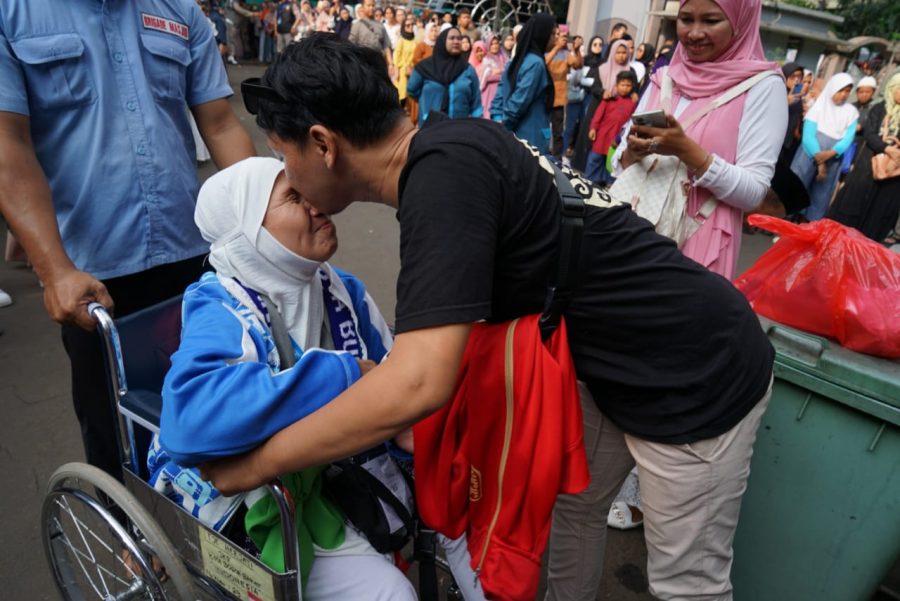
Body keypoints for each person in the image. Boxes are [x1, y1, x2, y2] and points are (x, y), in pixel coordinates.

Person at [204, 33, 775, 601]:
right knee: (576, 514)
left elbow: (417, 382)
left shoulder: (442, 184)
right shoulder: (451, 146)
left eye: (284, 156)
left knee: (686, 584)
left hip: (697, 369)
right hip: (614, 363)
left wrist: (258, 464)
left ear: (323, 144)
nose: (287, 175)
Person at [0, 0, 256, 482]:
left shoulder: (179, 11)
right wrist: (54, 271)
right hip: (92, 277)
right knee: (116, 432)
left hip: (195, 258)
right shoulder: (13, 14)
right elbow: (7, 143)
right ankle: (125, 527)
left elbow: (219, 123)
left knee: (218, 411)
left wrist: (265, 226)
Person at [148, 157, 416, 600]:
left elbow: (397, 378)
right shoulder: (220, 305)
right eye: (293, 196)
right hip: (241, 498)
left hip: (323, 478)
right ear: (247, 232)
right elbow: (188, 424)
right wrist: (341, 374)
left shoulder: (338, 289)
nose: (316, 202)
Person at [613, 0, 787, 281]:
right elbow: (621, 161)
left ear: (740, 22)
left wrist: (685, 150)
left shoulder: (763, 86)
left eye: (711, 20)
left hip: (699, 245)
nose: (694, 33)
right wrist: (634, 151)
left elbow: (754, 192)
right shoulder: (665, 77)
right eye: (686, 19)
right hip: (634, 229)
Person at [828, 72, 900, 243]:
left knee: (878, 216)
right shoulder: (879, 109)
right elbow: (870, 134)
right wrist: (886, 148)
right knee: (853, 208)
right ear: (892, 88)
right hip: (868, 168)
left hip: (893, 175)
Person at [789, 73, 858, 222]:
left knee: (820, 194)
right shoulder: (818, 107)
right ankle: (785, 221)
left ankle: (808, 225)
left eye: (847, 91)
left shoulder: (851, 112)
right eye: (840, 90)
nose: (844, 94)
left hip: (833, 159)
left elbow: (848, 138)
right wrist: (820, 160)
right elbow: (808, 136)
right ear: (832, 88)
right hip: (809, 155)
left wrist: (832, 152)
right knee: (797, 186)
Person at [490, 13, 556, 154]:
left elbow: (499, 96)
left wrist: (497, 122)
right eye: (552, 34)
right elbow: (519, 102)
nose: (555, 39)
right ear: (541, 35)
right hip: (529, 138)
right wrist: (503, 128)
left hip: (512, 136)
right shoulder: (536, 64)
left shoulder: (516, 60)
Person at [407, 28, 482, 125]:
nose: (456, 41)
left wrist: (477, 124)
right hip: (430, 125)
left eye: (459, 38)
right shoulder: (424, 68)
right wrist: (428, 101)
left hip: (459, 126)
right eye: (452, 38)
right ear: (442, 41)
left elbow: (476, 100)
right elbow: (412, 90)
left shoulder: (467, 69)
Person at [586, 71, 638, 185]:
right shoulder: (609, 99)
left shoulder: (632, 104)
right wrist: (593, 128)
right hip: (602, 135)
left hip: (617, 138)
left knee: (612, 162)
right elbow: (598, 115)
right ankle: (588, 182)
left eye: (628, 85)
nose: (625, 88)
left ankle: (609, 184)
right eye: (622, 85)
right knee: (595, 158)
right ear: (616, 85)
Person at [570, 35, 606, 172]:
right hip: (580, 94)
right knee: (575, 122)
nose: (598, 47)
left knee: (586, 123)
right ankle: (571, 147)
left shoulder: (603, 63)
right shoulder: (584, 60)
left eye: (600, 44)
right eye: (595, 44)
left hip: (593, 97)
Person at [546, 31, 584, 159]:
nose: (560, 38)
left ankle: (556, 158)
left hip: (559, 98)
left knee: (558, 131)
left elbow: (577, 65)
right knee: (543, 128)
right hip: (544, 97)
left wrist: (576, 50)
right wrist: (557, 47)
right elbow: (544, 63)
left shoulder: (565, 54)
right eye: (557, 35)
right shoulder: (545, 50)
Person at [349, 0, 396, 80]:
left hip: (379, 63)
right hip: (364, 64)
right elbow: (351, 47)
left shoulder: (380, 25)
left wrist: (391, 64)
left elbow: (386, 46)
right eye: (368, 5)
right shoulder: (357, 25)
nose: (371, 8)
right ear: (363, 7)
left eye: (373, 5)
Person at [778, 62, 806, 168]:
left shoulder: (798, 96)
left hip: (789, 141)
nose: (796, 80)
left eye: (799, 76)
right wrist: (784, 102)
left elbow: (796, 116)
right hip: (776, 140)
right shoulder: (776, 92)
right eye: (793, 76)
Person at [479, 34, 508, 120]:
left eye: (496, 43)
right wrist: (502, 74)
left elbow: (509, 72)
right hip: (490, 93)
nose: (495, 46)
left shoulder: (505, 57)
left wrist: (499, 72)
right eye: (492, 44)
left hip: (504, 91)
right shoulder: (486, 59)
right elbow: (486, 78)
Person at [394, 17, 418, 112]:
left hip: (413, 70)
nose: (410, 27)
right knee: (402, 92)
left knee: (411, 92)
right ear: (403, 27)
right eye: (407, 25)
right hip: (403, 70)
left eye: (412, 25)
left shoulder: (414, 40)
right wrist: (397, 70)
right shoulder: (401, 40)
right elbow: (397, 56)